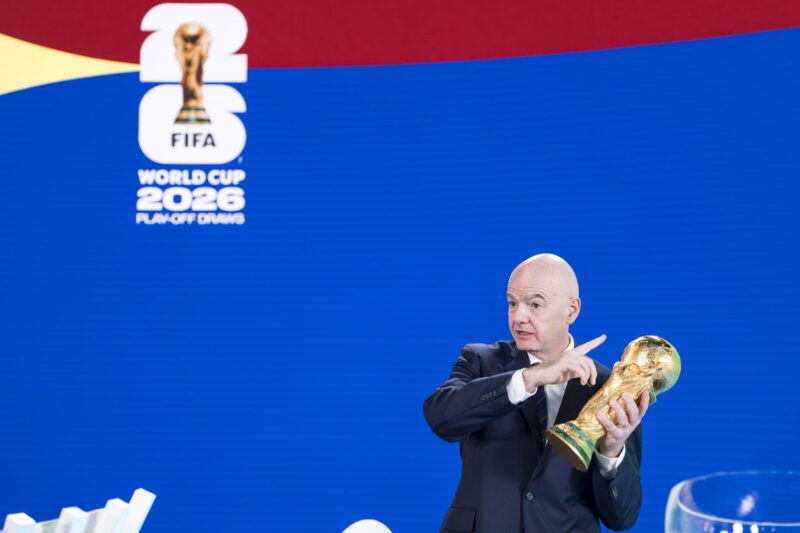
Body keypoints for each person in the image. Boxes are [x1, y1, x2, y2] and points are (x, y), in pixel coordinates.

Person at [423, 254, 647, 532]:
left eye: (535, 304)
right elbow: (441, 418)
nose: (519, 317)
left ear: (572, 310)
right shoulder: (481, 361)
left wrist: (611, 453)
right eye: (512, 303)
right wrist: (529, 378)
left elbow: (622, 518)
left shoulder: (608, 386)